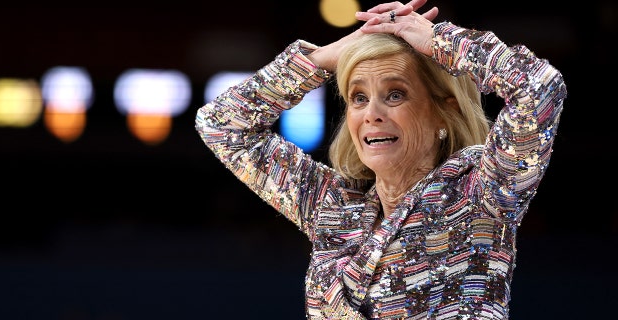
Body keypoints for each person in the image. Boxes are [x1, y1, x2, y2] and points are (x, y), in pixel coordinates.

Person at [195, 0, 567, 318]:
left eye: (394, 95)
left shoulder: (481, 193)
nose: (371, 113)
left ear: (442, 112)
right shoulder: (333, 206)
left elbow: (540, 87)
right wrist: (321, 60)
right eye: (358, 97)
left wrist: (441, 41)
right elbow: (222, 125)